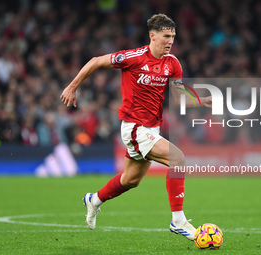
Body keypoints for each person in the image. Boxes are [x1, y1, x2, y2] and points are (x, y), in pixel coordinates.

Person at [60, 13, 212, 241]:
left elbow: (179, 98)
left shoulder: (173, 64)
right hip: (134, 127)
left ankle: (94, 200)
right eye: (166, 36)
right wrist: (73, 87)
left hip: (152, 129)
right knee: (178, 159)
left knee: (130, 180)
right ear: (153, 36)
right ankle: (178, 221)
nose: (170, 41)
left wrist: (201, 100)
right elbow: (95, 62)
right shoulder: (134, 57)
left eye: (173, 36)